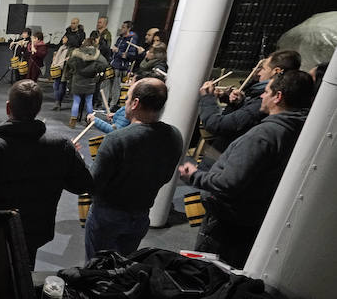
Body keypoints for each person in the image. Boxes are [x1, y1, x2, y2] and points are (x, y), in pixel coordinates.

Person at [179, 70, 314, 268]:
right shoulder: (298, 128)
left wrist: (194, 176)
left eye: (267, 91)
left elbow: (228, 182)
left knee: (206, 272)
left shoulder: (264, 135)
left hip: (228, 222)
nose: (262, 95)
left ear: (278, 97)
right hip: (251, 216)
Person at [0, 79, 93, 267]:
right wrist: (68, 158)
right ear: (38, 109)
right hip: (35, 231)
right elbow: (82, 185)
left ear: (8, 108)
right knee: (24, 271)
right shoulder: (60, 146)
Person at [85, 77, 182, 259]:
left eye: (128, 98)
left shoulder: (117, 139)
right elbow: (166, 177)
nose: (126, 103)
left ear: (136, 103)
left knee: (96, 269)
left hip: (107, 215)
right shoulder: (175, 135)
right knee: (123, 268)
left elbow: (93, 184)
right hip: (141, 215)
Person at [198, 50, 301, 152]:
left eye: (263, 68)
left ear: (276, 71)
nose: (257, 71)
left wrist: (207, 97)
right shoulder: (259, 93)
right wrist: (239, 102)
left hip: (227, 156)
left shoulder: (263, 103)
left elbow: (218, 125)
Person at [88, 72, 166, 134]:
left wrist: (95, 120)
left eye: (128, 98)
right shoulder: (170, 134)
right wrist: (116, 115)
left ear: (135, 104)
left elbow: (115, 131)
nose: (126, 101)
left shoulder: (120, 140)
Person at [65, 37, 108, 128]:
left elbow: (70, 62)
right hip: (90, 80)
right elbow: (104, 64)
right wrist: (95, 69)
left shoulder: (77, 52)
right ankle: (90, 121)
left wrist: (75, 69)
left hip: (77, 79)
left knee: (76, 101)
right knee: (89, 102)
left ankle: (73, 121)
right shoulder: (97, 54)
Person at [104, 21, 139, 110]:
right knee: (107, 85)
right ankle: (105, 104)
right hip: (113, 64)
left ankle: (112, 106)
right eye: (121, 26)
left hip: (121, 67)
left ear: (128, 28)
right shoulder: (120, 38)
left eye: (123, 27)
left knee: (116, 87)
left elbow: (130, 55)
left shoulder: (132, 40)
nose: (121, 29)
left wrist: (118, 52)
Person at [49, 35, 71, 111]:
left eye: (65, 38)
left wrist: (58, 64)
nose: (63, 39)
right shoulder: (61, 47)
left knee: (61, 85)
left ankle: (58, 102)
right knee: (55, 86)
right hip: (57, 68)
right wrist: (54, 64)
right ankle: (57, 101)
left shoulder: (69, 49)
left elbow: (66, 60)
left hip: (64, 69)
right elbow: (56, 57)